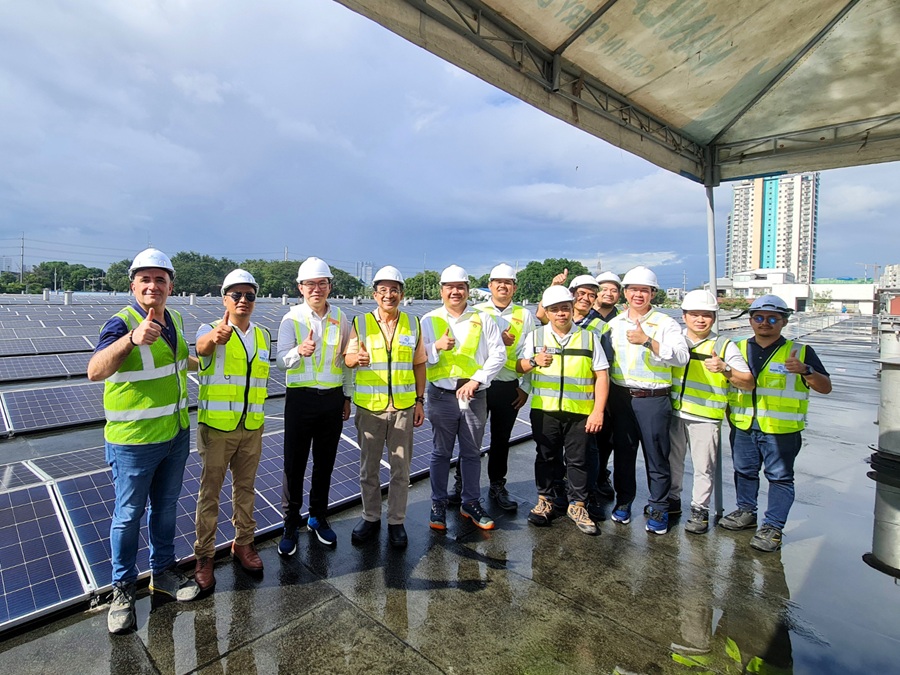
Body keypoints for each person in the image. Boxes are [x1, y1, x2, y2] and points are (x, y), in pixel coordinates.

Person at [87, 247, 199, 634]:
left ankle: (163, 573)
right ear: (133, 285)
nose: (153, 285)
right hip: (134, 441)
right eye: (145, 279)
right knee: (128, 515)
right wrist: (131, 340)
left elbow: (179, 361)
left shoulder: (176, 318)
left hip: (174, 434)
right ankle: (122, 590)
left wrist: (209, 356)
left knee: (165, 509)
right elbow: (94, 370)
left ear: (171, 286)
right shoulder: (121, 323)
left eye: (160, 279)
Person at [720, 294, 832, 551]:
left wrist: (806, 370)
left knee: (780, 478)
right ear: (750, 320)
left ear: (784, 322)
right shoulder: (736, 348)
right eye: (759, 317)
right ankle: (746, 512)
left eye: (773, 318)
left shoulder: (800, 352)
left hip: (781, 430)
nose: (765, 323)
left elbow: (825, 387)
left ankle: (773, 527)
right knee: (744, 471)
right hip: (743, 425)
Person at [193, 269, 271, 592]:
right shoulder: (210, 329)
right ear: (224, 299)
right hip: (217, 429)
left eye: (249, 295)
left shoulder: (264, 335)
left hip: (252, 427)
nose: (243, 300)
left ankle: (244, 543)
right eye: (236, 295)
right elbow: (201, 349)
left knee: (246, 489)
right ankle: (204, 555)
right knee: (210, 493)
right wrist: (215, 337)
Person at [344, 266, 426, 549]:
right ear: (374, 294)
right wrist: (356, 359)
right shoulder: (361, 322)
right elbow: (348, 359)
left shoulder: (413, 324)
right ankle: (370, 517)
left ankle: (396, 521)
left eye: (394, 290)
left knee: (400, 468)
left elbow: (419, 364)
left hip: (403, 408)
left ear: (401, 294)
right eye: (383, 290)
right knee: (368, 468)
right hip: (370, 409)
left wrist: (420, 401)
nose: (388, 295)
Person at [518, 286, 609, 535]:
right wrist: (534, 361)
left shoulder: (589, 338)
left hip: (580, 412)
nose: (561, 313)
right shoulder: (535, 337)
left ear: (572, 309)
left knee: (579, 460)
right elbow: (519, 366)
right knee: (546, 457)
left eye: (565, 308)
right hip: (545, 410)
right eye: (555, 309)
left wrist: (598, 411)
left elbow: (602, 375)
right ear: (547, 312)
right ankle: (545, 501)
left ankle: (577, 505)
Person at [605, 265, 689, 535]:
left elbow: (681, 357)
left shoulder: (665, 324)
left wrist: (648, 341)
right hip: (621, 398)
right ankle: (624, 502)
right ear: (625, 293)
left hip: (653, 399)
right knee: (624, 455)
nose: (638, 295)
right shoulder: (614, 324)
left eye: (644, 290)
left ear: (653, 293)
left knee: (656, 457)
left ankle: (659, 507)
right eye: (633, 290)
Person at [276, 257, 352, 554]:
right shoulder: (291, 318)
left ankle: (318, 516)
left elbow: (346, 360)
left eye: (322, 283)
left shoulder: (341, 318)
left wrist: (347, 396)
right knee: (294, 464)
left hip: (332, 400)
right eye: (310, 284)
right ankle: (290, 522)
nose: (316, 289)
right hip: (300, 399)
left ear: (330, 286)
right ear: (300, 287)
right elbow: (280, 362)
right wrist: (299, 350)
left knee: (325, 462)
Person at [422, 264, 506, 532]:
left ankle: (470, 502)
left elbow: (499, 354)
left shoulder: (483, 319)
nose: (455, 292)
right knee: (440, 453)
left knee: (471, 452)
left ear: (468, 290)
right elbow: (418, 356)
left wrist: (476, 380)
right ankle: (438, 504)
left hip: (474, 396)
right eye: (450, 287)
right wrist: (435, 347)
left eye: (460, 287)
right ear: (441, 291)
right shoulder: (428, 320)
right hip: (441, 396)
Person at [668, 290, 754, 535]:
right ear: (684, 316)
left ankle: (699, 511)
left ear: (714, 318)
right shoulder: (675, 341)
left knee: (703, 467)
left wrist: (725, 368)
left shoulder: (723, 346)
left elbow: (748, 382)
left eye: (706, 315)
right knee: (672, 461)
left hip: (705, 417)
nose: (700, 319)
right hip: (674, 412)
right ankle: (672, 500)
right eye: (694, 314)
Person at [472, 263, 536, 511]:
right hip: (480, 385)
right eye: (498, 281)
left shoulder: (524, 315)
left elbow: (530, 352)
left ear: (514, 288)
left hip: (508, 386)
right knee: (471, 438)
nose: (502, 286)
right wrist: (497, 342)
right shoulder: (476, 311)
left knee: (501, 439)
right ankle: (463, 484)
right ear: (490, 285)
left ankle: (497, 484)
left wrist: (525, 387)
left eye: (507, 282)